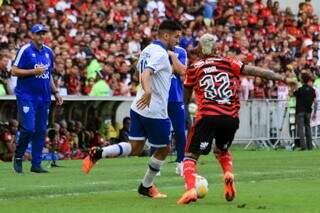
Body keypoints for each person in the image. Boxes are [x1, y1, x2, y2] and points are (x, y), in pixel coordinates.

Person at [177, 34, 297, 204]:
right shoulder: (228, 62)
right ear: (217, 49)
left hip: (208, 116)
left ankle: (190, 190)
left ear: (200, 49)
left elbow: (186, 96)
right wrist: (283, 78)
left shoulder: (193, 68)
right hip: (230, 117)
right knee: (222, 151)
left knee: (190, 156)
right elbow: (258, 71)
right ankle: (228, 173)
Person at [82, 20, 183, 198]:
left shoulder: (147, 49)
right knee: (164, 149)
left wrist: (147, 87)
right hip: (154, 110)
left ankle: (99, 152)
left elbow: (139, 72)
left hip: (138, 107)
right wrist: (149, 90)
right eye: (176, 36)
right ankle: (146, 186)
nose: (178, 40)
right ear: (166, 36)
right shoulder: (159, 54)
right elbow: (145, 74)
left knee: (135, 147)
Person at [12, 24, 63, 173]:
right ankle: (19, 157)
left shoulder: (48, 52)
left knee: (41, 130)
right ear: (32, 35)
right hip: (27, 96)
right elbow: (14, 71)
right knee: (28, 128)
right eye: (38, 33)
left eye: (43, 33)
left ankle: (36, 164)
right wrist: (33, 71)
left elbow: (49, 76)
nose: (41, 36)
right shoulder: (25, 50)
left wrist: (56, 92)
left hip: (44, 97)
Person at [168, 45, 188, 175]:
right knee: (159, 131)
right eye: (175, 36)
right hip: (159, 97)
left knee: (180, 131)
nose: (177, 39)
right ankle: (155, 164)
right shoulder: (155, 49)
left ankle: (181, 162)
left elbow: (181, 70)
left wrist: (172, 55)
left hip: (176, 96)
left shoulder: (180, 51)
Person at [292, 72, 317, 150]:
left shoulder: (300, 89)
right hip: (308, 111)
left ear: (302, 80)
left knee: (300, 129)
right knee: (308, 128)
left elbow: (292, 94)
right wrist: (315, 113)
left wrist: (293, 87)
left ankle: (303, 146)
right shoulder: (312, 90)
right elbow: (315, 102)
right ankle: (310, 146)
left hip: (300, 111)